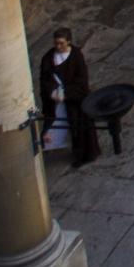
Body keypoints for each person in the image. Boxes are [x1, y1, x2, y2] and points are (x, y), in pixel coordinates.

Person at [38, 26, 100, 167]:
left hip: (75, 99)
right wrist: (53, 91)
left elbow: (81, 79)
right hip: (56, 101)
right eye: (56, 43)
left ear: (69, 42)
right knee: (56, 124)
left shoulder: (76, 55)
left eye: (61, 43)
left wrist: (66, 93)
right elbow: (45, 78)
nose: (58, 46)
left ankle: (83, 154)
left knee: (79, 128)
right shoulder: (48, 57)